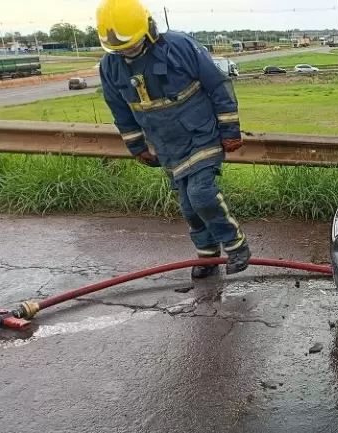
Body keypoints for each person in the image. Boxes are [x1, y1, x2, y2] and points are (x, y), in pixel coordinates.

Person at [96, 0, 251, 278]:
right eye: (120, 48)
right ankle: (208, 255)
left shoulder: (180, 47)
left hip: (201, 134)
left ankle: (237, 245)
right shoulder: (110, 68)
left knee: (201, 194)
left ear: (149, 28)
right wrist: (137, 147)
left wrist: (230, 131)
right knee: (188, 207)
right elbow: (120, 111)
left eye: (131, 44)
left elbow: (217, 85)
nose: (127, 51)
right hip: (167, 146)